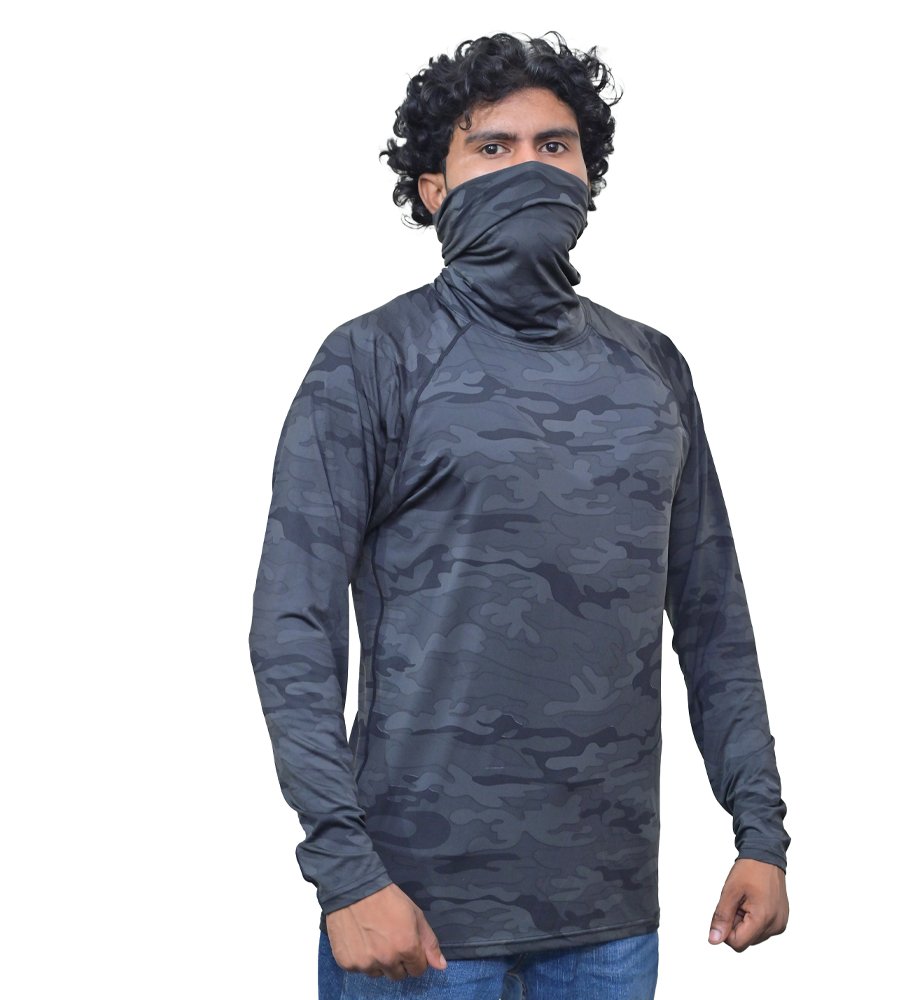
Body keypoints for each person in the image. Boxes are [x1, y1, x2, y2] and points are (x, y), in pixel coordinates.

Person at [249, 31, 790, 999]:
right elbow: (293, 626)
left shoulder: (651, 367)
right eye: (492, 147)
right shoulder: (371, 361)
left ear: (588, 173)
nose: (529, 167)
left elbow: (713, 619)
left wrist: (761, 832)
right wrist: (345, 872)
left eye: (554, 145)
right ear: (433, 188)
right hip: (414, 915)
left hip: (609, 921)